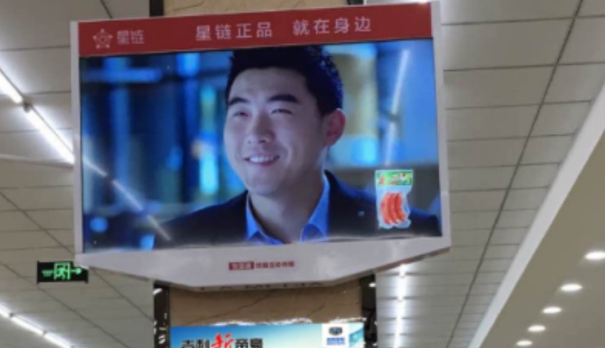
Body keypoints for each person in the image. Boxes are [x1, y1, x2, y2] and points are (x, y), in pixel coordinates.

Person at [156, 45, 439, 248]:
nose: (256, 134)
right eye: (240, 113)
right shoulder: (180, 242)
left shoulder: (408, 234)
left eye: (280, 111)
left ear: (332, 128)